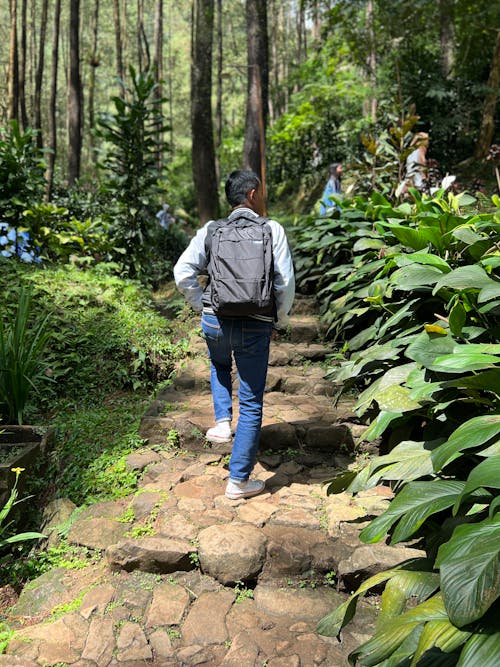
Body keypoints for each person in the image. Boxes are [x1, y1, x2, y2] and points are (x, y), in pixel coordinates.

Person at [174, 170, 295, 500]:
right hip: (256, 322)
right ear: (253, 194)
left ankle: (223, 422)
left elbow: (182, 272)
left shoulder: (211, 231)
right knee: (253, 400)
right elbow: (284, 283)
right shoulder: (272, 229)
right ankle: (239, 480)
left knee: (219, 365)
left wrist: (203, 306)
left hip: (216, 321)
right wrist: (277, 320)